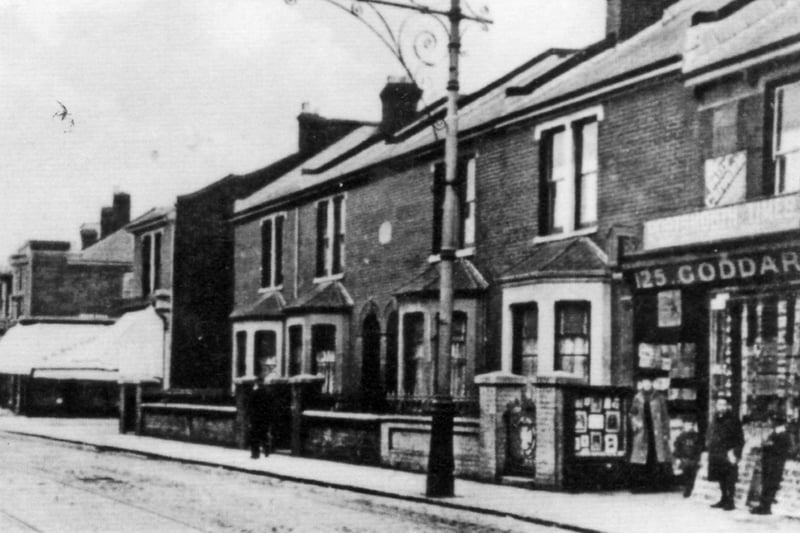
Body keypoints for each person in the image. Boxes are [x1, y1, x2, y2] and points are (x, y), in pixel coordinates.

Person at [629, 375, 672, 491]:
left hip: (656, 431)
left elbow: (665, 416)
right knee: (642, 458)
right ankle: (641, 486)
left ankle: (654, 485)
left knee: (655, 456)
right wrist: (636, 424)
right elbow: (632, 413)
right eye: (645, 382)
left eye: (649, 382)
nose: (647, 384)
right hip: (642, 431)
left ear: (652, 383)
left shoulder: (660, 397)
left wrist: (666, 432)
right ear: (642, 383)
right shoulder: (637, 397)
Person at [706, 396, 744, 511]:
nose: (721, 407)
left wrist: (735, 453)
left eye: (723, 405)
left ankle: (730, 500)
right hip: (717, 452)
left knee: (729, 478)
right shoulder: (715, 419)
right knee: (720, 477)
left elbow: (740, 439)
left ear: (728, 406)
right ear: (716, 406)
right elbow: (710, 433)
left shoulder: (733, 420)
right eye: (719, 405)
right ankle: (723, 499)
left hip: (728, 452)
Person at [750, 415, 792, 515]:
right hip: (770, 463)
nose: (770, 423)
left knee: (770, 485)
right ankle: (763, 505)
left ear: (776, 422)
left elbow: (782, 449)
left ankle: (766, 507)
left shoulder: (783, 434)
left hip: (775, 464)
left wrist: (768, 445)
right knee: (766, 484)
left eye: (772, 421)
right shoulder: (776, 432)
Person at [673, 417, 702, 497]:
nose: (689, 427)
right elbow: (677, 447)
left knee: (692, 474)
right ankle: (687, 489)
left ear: (693, 426)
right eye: (687, 425)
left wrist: (698, 458)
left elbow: (699, 448)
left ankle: (690, 489)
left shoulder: (696, 437)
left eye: (690, 425)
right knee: (686, 474)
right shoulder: (681, 437)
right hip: (684, 459)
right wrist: (678, 458)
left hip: (693, 459)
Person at [248, 376, 273, 459]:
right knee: (264, 435)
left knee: (254, 436)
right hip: (265, 417)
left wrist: (250, 418)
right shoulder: (268, 392)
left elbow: (250, 406)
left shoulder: (254, 393)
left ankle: (255, 454)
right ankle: (267, 451)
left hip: (256, 418)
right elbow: (271, 406)